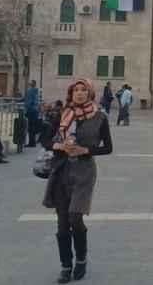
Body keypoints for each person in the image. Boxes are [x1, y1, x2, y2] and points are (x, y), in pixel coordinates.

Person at [42, 79, 113, 283]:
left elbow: (108, 147)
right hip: (62, 170)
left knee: (75, 217)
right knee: (62, 223)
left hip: (84, 172)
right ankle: (66, 266)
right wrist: (59, 147)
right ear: (71, 93)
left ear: (90, 93)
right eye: (76, 90)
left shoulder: (100, 117)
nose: (80, 93)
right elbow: (45, 140)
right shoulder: (62, 114)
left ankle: (81, 260)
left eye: (84, 90)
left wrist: (86, 150)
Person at [25, 80, 41, 147]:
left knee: (30, 127)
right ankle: (33, 142)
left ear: (31, 84)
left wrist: (27, 108)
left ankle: (31, 143)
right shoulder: (37, 91)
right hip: (36, 111)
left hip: (31, 111)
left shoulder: (30, 90)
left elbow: (28, 100)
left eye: (30, 83)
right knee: (33, 127)